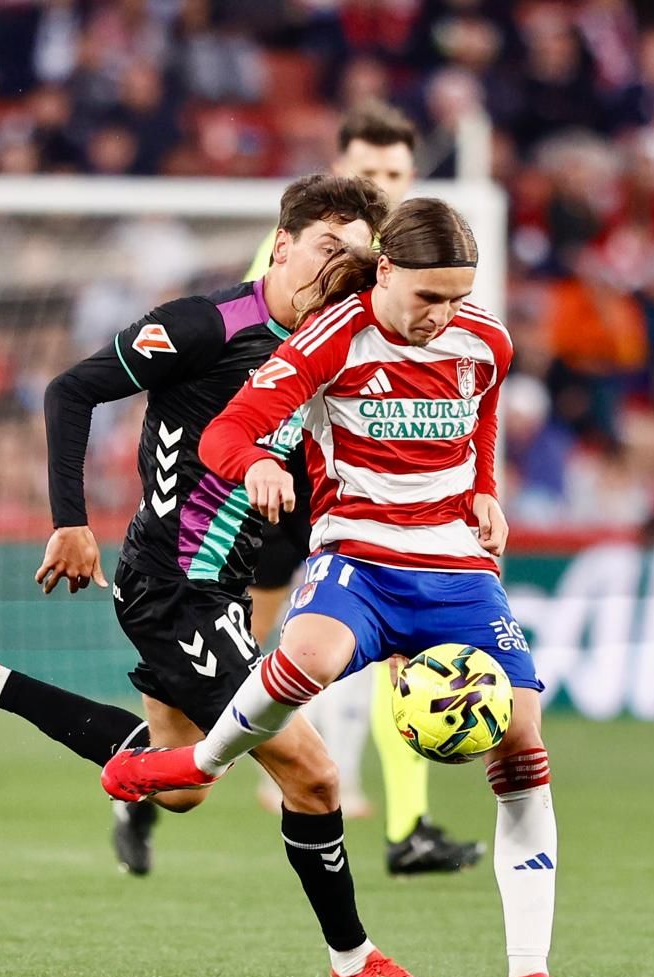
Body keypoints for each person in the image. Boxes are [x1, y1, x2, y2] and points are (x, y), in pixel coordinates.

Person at [0, 176, 448, 977]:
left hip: (215, 586)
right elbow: (69, 388)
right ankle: (355, 964)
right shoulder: (207, 325)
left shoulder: (333, 344)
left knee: (180, 783)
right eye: (328, 249)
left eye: (357, 259)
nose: (340, 270)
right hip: (175, 587)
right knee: (315, 775)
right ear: (282, 244)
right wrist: (70, 521)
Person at [101, 199, 608, 977]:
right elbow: (225, 434)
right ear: (386, 272)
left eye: (456, 298)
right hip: (358, 560)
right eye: (427, 298)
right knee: (306, 662)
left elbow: (479, 419)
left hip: (458, 574)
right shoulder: (330, 339)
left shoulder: (486, 342)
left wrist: (482, 491)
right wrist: (258, 467)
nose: (442, 317)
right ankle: (203, 762)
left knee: (522, 739)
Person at [248, 102, 482, 875]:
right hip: (286, 466)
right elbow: (266, 349)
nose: (378, 185)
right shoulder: (309, 251)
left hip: (377, 485)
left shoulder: (424, 270)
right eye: (366, 172)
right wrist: (264, 452)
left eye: (392, 174)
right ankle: (242, 759)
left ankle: (404, 821)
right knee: (260, 638)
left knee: (398, 656)